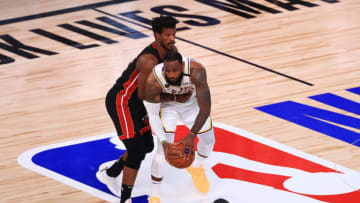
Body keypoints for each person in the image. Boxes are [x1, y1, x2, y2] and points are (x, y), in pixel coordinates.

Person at [96, 15, 179, 203]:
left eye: (174, 34)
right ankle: (125, 199)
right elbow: (143, 94)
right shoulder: (149, 60)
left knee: (146, 147)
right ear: (157, 35)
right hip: (122, 102)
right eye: (168, 35)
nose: (172, 38)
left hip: (139, 103)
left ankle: (111, 173)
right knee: (135, 151)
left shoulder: (171, 51)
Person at [143, 50, 215, 203]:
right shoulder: (153, 80)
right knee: (161, 151)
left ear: (182, 66)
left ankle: (196, 167)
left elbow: (205, 108)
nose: (171, 75)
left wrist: (192, 134)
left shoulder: (197, 71)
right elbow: (153, 116)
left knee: (209, 141)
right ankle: (154, 195)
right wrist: (165, 143)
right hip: (167, 107)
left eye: (175, 70)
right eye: (168, 71)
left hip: (192, 105)